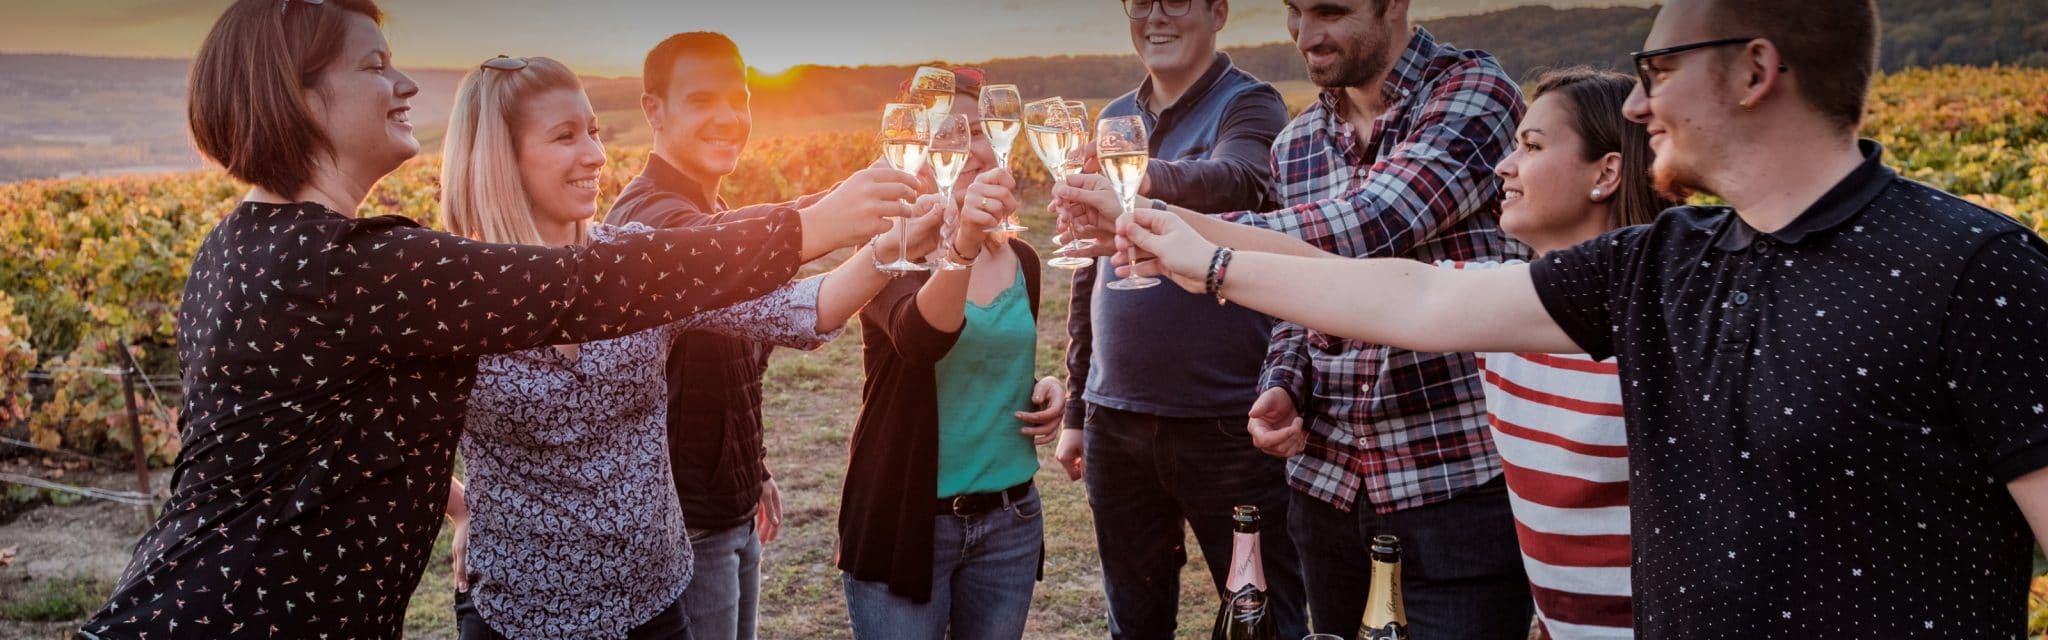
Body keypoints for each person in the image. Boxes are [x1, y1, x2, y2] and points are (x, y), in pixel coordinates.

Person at [1116, 0, 2048, 636]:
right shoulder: (1666, 260)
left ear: (1755, 69)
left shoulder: (1974, 274)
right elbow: (1423, 297)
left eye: (1657, 69)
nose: (1636, 102)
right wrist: (1202, 253)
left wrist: (1212, 252)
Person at [77, 1, 900, 637]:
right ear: (298, 96)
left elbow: (302, 446)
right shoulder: (351, 263)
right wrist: (813, 224)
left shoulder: (239, 247)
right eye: (377, 67)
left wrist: (461, 503)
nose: (406, 87)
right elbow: (591, 287)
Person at [1078, 66, 1670, 639]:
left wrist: (1204, 260)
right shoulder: (1513, 298)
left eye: (1532, 147)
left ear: (1607, 172)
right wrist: (1152, 220)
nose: (1504, 165)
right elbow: (1357, 282)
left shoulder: (1655, 309)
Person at [1063, 0, 1531, 636]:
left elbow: (1372, 226)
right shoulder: (1300, 141)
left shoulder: (1475, 93)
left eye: (1330, 12)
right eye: (1295, 13)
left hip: (1444, 479)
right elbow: (1296, 297)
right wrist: (1285, 380)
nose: (1307, 36)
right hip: (1326, 484)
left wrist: (1174, 231)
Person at [431, 55, 925, 639]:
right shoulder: (451, 297)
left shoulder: (639, 260)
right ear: (498, 158)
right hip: (519, 617)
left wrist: (893, 244)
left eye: (593, 130)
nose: (596, 155)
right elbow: (385, 435)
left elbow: (801, 310)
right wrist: (462, 507)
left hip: (655, 608)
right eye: (565, 136)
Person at [600, 31, 930, 640]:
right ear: (653, 110)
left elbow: (720, 361)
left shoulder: (705, 210)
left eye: (740, 98)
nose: (728, 117)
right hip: (682, 524)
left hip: (728, 505)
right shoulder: (649, 222)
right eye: (702, 100)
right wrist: (849, 218)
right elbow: (765, 268)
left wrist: (754, 466)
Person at [1051, 0, 1304, 637]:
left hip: (1226, 423)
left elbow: (1238, 179)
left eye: (1178, 0)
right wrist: (1080, 409)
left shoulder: (1251, 104)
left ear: (1219, 12)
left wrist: (1129, 180)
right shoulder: (1114, 116)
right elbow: (1090, 277)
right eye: (1141, 2)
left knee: (1261, 618)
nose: (1156, 16)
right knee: (1133, 622)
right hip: (1116, 421)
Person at [836, 73, 1067, 640]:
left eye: (971, 130)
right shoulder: (886, 251)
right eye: (939, 133)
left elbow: (984, 355)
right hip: (906, 521)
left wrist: (1043, 385)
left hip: (1010, 523)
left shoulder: (1024, 260)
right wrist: (960, 244)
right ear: (906, 152)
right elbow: (920, 341)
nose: (960, 146)